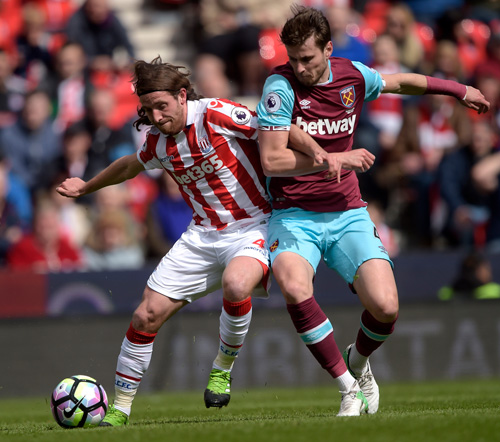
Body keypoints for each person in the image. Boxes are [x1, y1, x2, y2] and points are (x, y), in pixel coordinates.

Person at [256, 5, 490, 417]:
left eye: (307, 59)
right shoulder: (279, 86)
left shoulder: (352, 76)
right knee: (294, 287)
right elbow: (272, 162)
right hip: (293, 214)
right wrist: (338, 159)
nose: (300, 67)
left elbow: (402, 81)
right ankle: (347, 388)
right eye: (293, 59)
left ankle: (359, 362)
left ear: (328, 49)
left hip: (347, 211)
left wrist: (457, 90)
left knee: (385, 307)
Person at [56, 57, 315, 426]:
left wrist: (321, 155)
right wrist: (86, 186)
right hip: (201, 234)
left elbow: (275, 129)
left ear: (181, 96)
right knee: (146, 315)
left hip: (253, 225)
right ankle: (121, 408)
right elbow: (130, 164)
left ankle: (222, 369)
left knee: (236, 283)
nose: (157, 116)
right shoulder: (158, 142)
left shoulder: (215, 113)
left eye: (162, 106)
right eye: (148, 109)